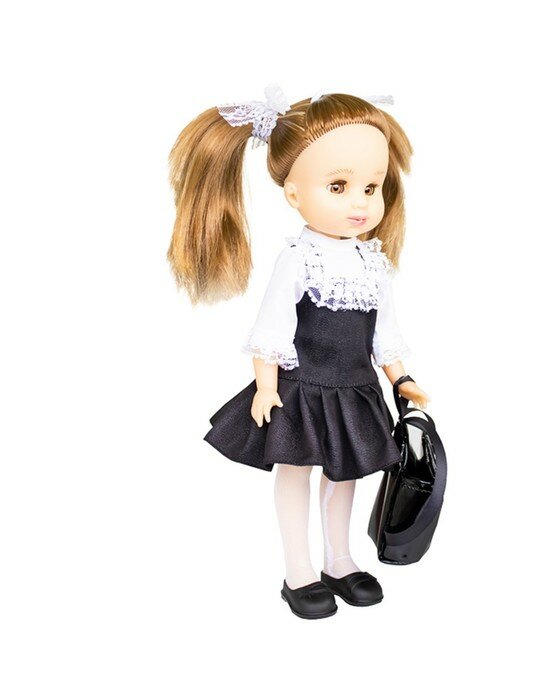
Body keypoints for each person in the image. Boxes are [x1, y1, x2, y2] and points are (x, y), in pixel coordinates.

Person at [167, 85, 431, 619]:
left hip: (355, 387)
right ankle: (299, 571)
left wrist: (401, 378)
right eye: (339, 186)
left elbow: (385, 331)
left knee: (345, 474)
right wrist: (267, 385)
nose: (361, 202)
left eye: (372, 187)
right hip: (303, 386)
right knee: (296, 471)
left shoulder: (371, 262)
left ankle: (340, 560)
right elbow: (272, 327)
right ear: (294, 193)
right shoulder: (300, 258)